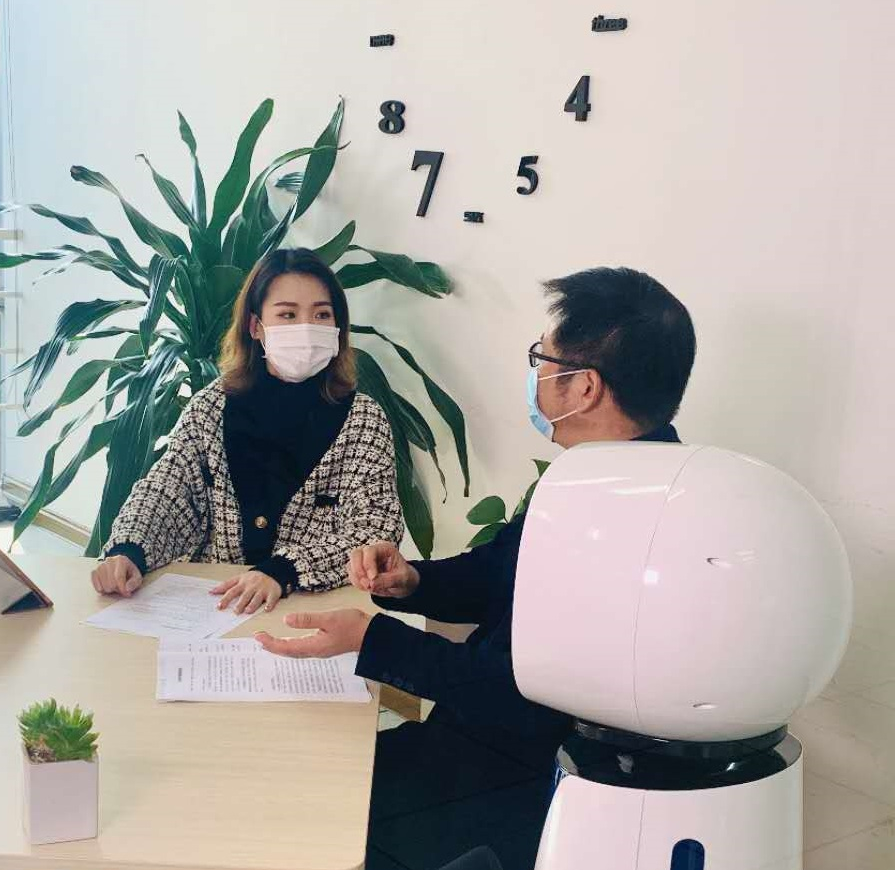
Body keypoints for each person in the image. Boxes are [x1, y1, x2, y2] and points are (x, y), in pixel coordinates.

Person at [256, 266, 697, 870]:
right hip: (483, 745)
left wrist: (372, 639)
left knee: (303, 808)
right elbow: (498, 573)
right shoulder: (608, 479)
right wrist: (412, 581)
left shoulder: (625, 526)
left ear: (584, 388)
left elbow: (523, 697)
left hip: (516, 779)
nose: (535, 374)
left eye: (543, 358)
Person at [91, 248, 404, 615]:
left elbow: (374, 530)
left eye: (321, 314)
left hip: (313, 607)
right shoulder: (212, 406)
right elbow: (167, 490)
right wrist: (128, 549)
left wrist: (285, 571)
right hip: (217, 605)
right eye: (288, 314)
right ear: (256, 327)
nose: (306, 328)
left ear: (337, 329)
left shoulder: (363, 418)